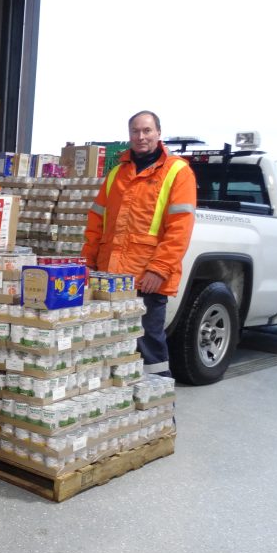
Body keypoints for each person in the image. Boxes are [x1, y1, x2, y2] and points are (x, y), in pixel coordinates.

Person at [81, 110, 197, 376]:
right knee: (111, 347)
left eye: (147, 130)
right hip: (109, 278)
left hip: (147, 279)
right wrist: (87, 265)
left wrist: (159, 269)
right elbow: (96, 224)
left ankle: (160, 413)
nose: (141, 136)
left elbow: (180, 228)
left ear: (158, 133)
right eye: (135, 131)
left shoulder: (177, 172)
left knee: (149, 350)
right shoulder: (117, 174)